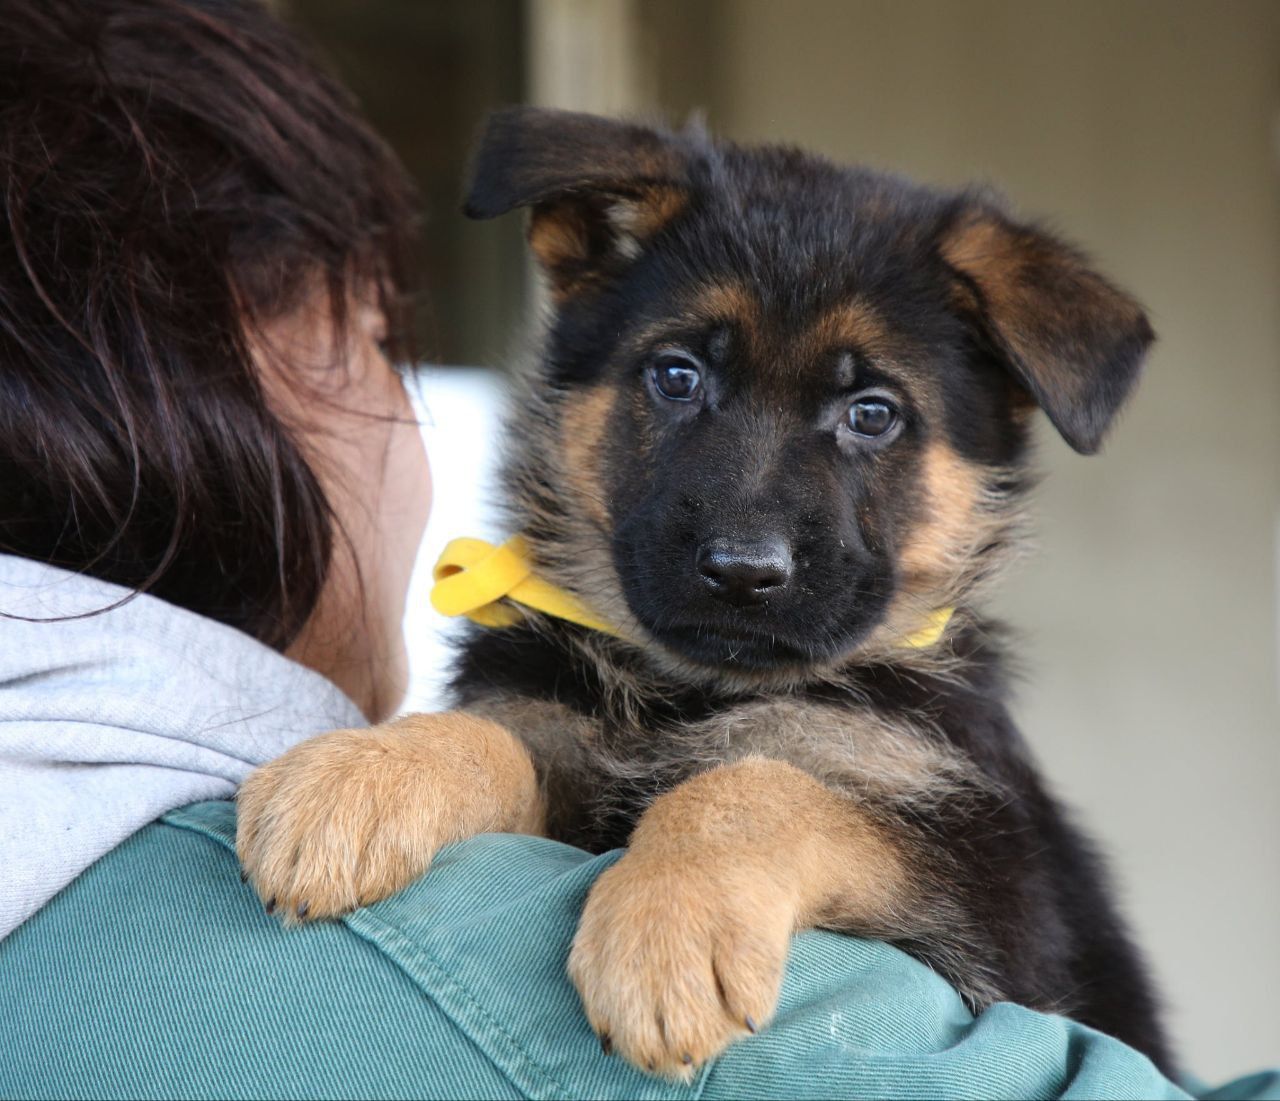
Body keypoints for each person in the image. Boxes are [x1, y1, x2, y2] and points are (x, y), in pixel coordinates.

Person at [0, 3, 1272, 1100]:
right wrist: (450, 756)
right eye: (679, 376)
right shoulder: (533, 665)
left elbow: (962, 918)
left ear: (986, 430)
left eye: (867, 416)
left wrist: (738, 832)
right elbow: (544, 758)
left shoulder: (924, 737)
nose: (750, 532)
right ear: (586, 273)